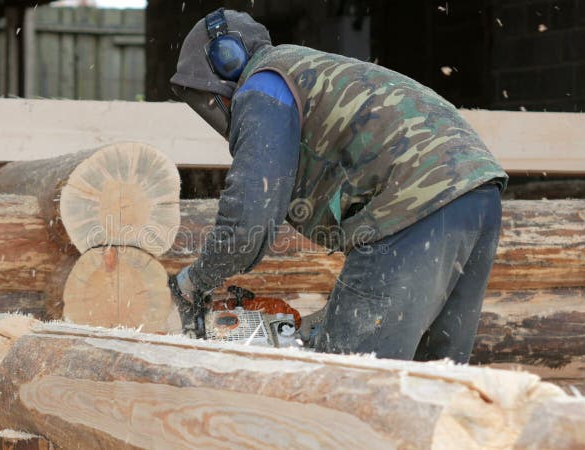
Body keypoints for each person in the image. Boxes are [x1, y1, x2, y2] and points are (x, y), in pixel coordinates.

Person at [167, 8, 507, 363]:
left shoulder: (263, 84)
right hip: (477, 195)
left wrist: (195, 282)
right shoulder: (305, 72)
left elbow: (250, 220)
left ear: (227, 60)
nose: (215, 108)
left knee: (349, 379)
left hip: (415, 204)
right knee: (434, 377)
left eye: (210, 98)